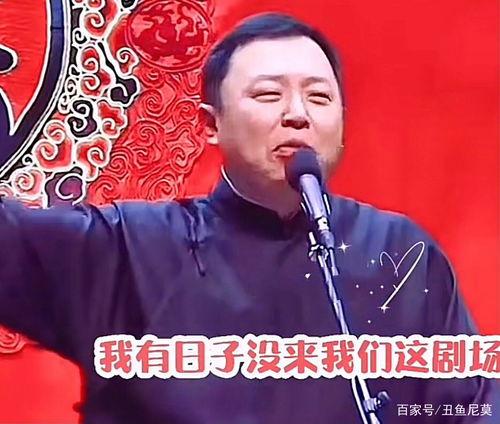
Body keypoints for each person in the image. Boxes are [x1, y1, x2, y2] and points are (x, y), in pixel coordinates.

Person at [0, 12, 498, 424]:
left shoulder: (401, 255)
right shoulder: (126, 251)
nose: (298, 114)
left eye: (319, 97)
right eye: (268, 95)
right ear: (210, 123)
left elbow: (472, 407)